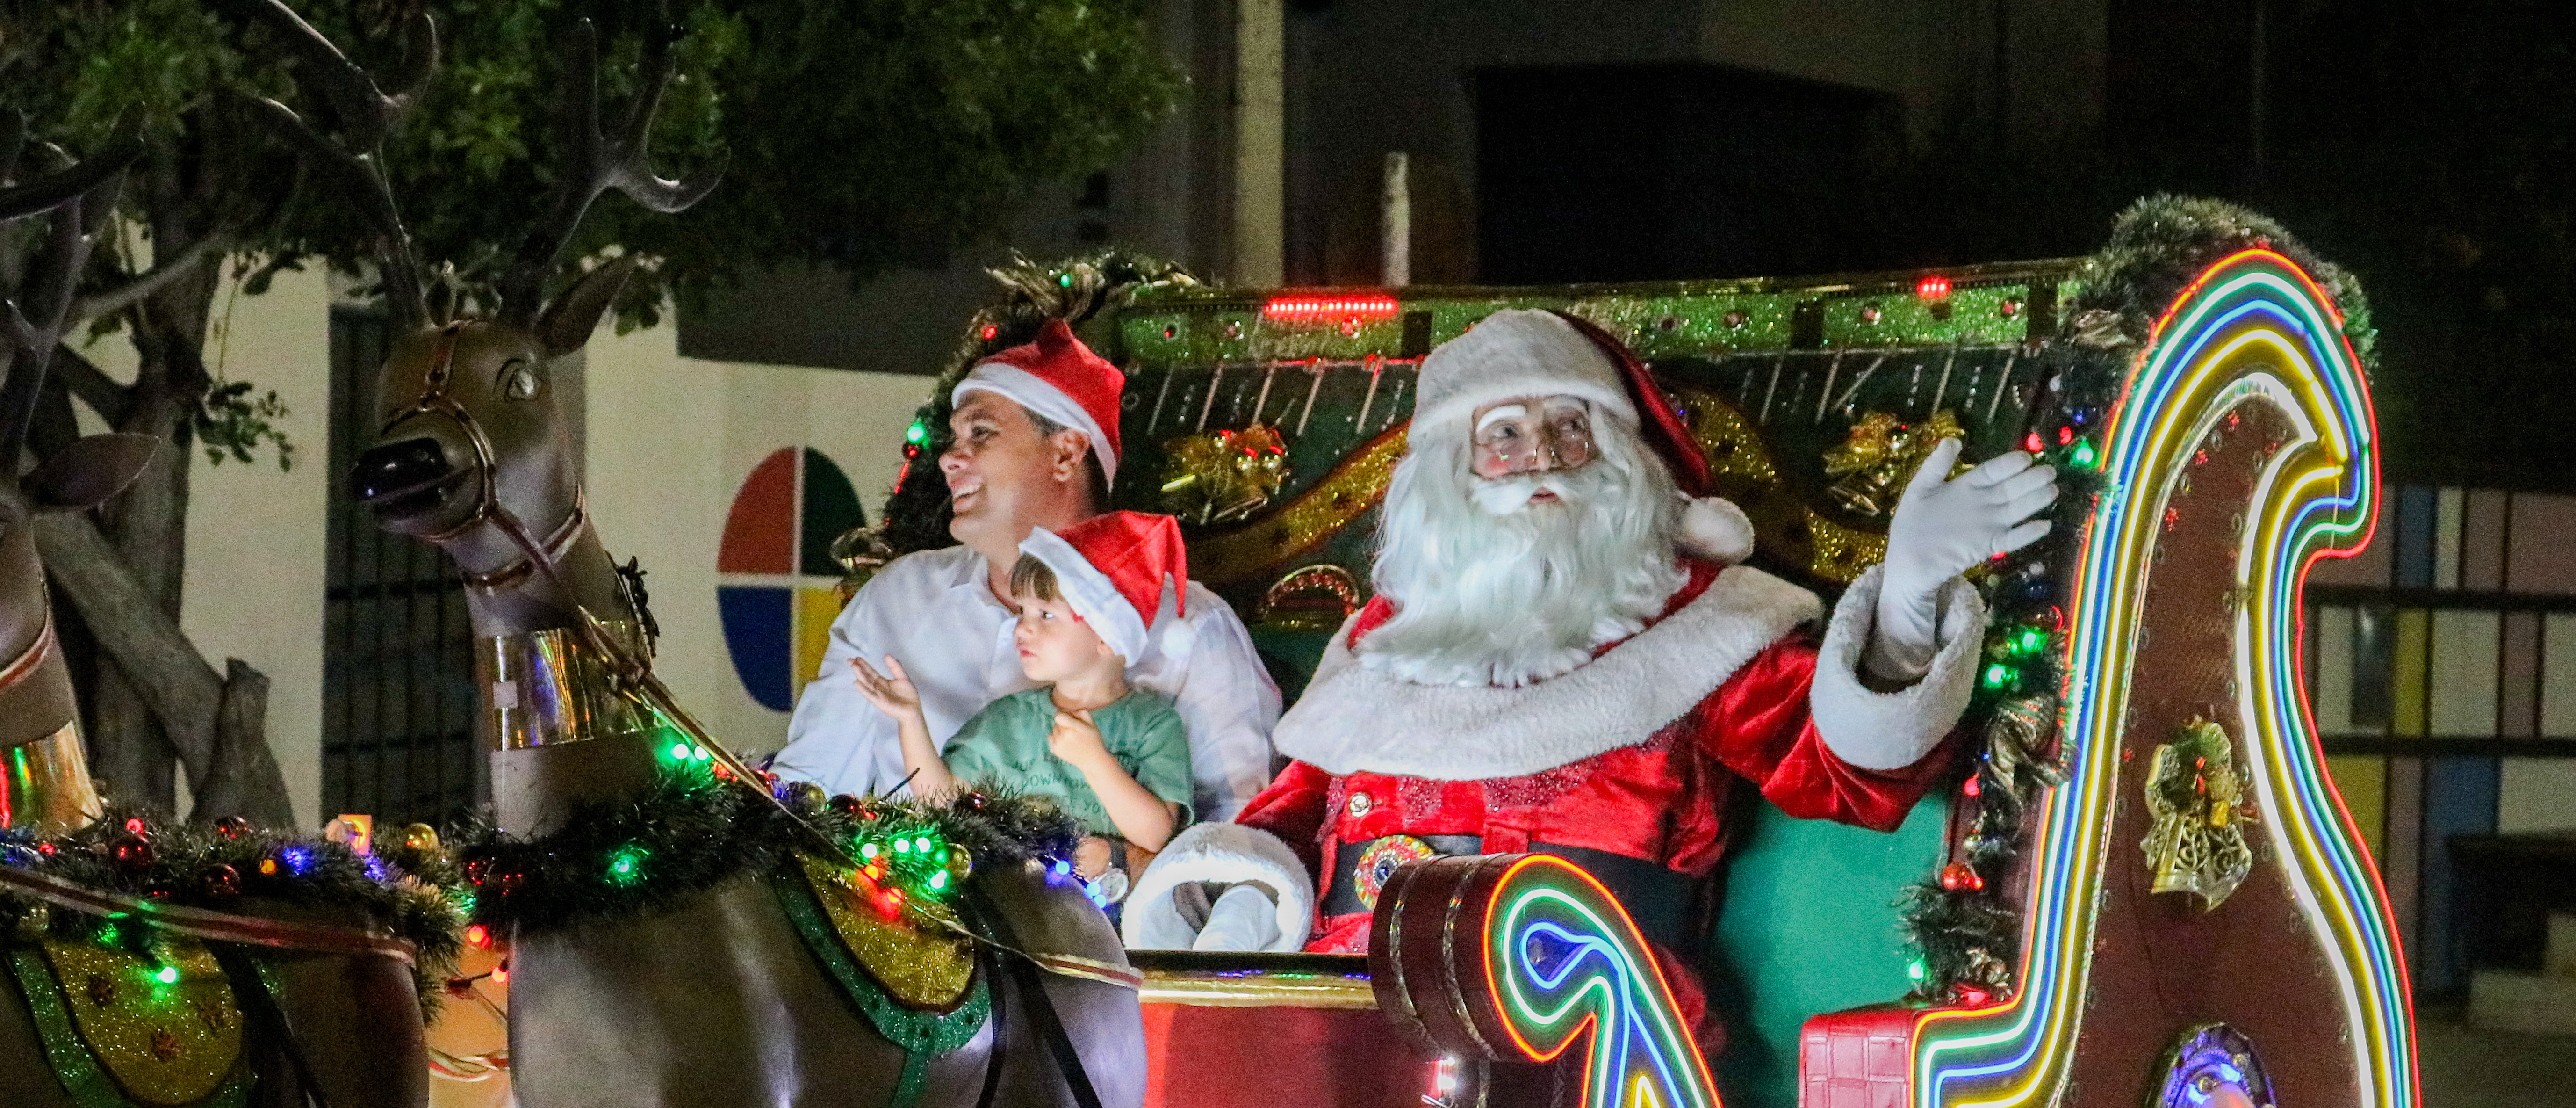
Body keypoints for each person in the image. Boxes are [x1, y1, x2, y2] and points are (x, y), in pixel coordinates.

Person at [1121, 307, 2056, 1019]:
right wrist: (1230, 887)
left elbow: (1846, 773)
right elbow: (1294, 813)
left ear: (1618, 459)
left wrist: (1909, 598)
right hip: (1344, 1006)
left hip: (1573, 1020)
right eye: (1507, 437)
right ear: (1454, 471)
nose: (1542, 462)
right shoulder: (1387, 636)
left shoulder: (1698, 621)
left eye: (1571, 430)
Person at [771, 318, 1280, 819]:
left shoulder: (1189, 629)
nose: (950, 459)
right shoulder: (896, 599)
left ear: (1066, 453)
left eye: (981, 433)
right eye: (954, 438)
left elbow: (1239, 839)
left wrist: (1111, 867)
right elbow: (804, 795)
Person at [852, 512, 1192, 911]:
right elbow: (945, 804)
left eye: (1045, 615)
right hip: (1015, 917)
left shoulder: (1152, 724)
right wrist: (911, 720)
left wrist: (1094, 760)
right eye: (1022, 613)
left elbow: (1155, 834)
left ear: (1106, 635)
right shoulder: (1006, 720)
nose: (1022, 629)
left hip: (1110, 928)